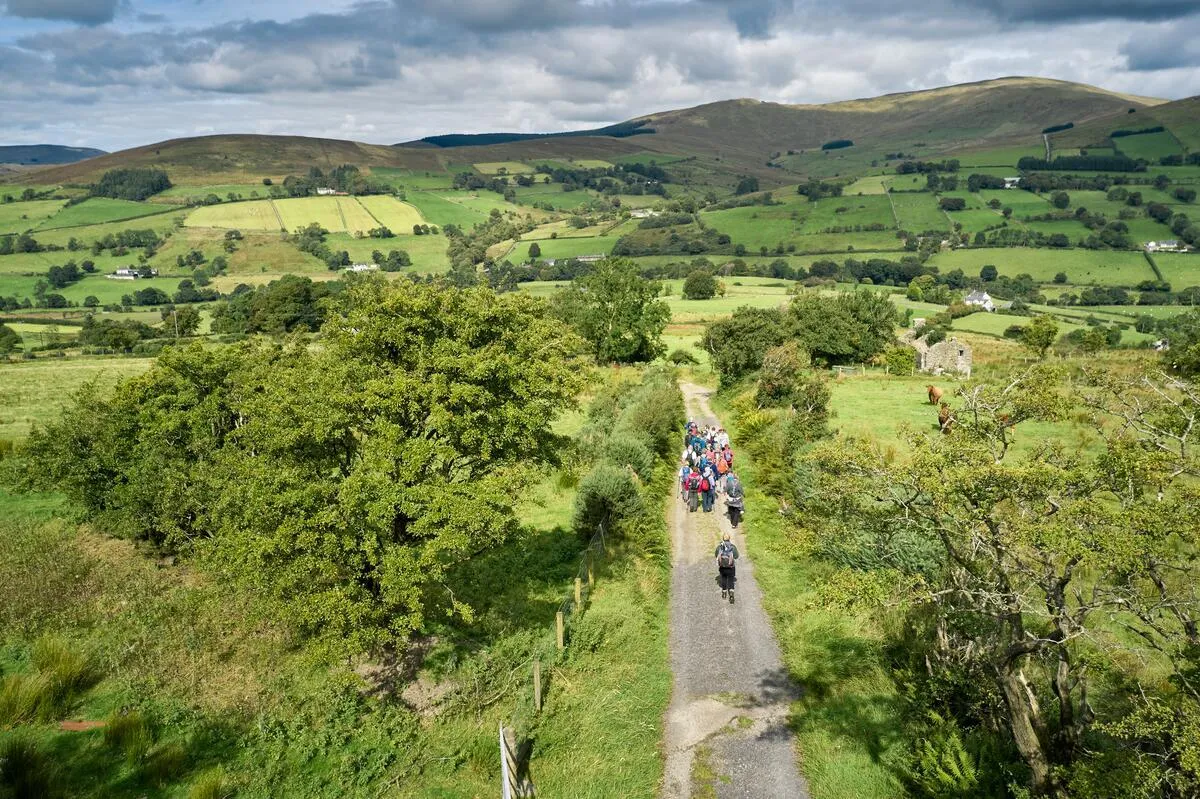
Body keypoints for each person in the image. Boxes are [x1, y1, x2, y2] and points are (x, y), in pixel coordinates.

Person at [715, 532, 738, 602]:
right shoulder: (732, 547)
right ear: (729, 538)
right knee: (731, 580)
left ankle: (724, 593)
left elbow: (716, 555)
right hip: (731, 567)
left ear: (723, 538)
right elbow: (736, 556)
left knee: (724, 579)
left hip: (722, 567)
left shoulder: (719, 547)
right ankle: (731, 595)